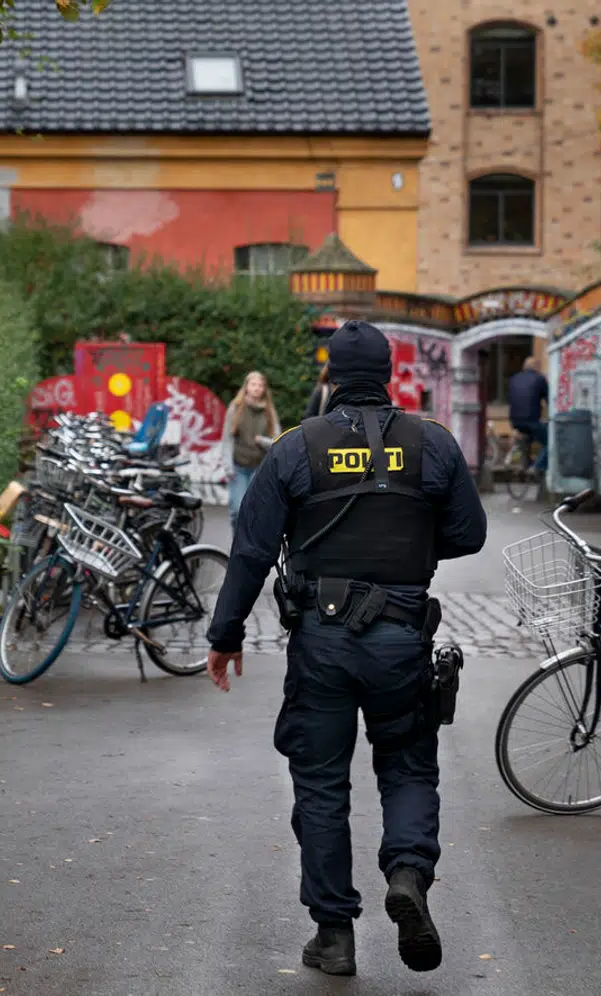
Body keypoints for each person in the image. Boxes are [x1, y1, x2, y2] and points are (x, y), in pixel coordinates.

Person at [204, 320, 487, 978]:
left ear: (330, 375)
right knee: (408, 767)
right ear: (388, 375)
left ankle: (334, 935)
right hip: (402, 638)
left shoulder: (296, 448)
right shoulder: (433, 444)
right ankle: (408, 872)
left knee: (321, 785)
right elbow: (468, 533)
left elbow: (250, 549)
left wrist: (225, 635)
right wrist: (410, 542)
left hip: (322, 643)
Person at [224, 371, 280, 529]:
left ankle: (249, 542)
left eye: (260, 385)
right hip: (238, 466)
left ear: (264, 389)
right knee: (237, 510)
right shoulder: (236, 408)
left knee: (255, 510)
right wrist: (227, 465)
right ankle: (237, 540)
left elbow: (277, 441)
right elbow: (227, 439)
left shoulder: (269, 410)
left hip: (259, 467)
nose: (257, 388)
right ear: (246, 387)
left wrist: (262, 441)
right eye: (253, 384)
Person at [506, 355, 549, 473]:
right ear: (536, 367)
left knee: (526, 438)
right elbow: (548, 399)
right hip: (531, 420)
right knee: (550, 441)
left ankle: (520, 462)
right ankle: (536, 467)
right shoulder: (539, 379)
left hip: (515, 421)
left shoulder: (514, 378)